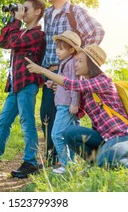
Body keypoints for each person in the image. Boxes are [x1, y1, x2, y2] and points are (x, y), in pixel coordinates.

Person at [25, 44, 128, 174]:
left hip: (122, 137)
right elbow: (77, 109)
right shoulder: (85, 90)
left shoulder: (103, 81)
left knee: (105, 161)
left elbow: (73, 84)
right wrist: (58, 88)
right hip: (103, 138)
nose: (75, 64)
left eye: (80, 61)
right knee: (70, 132)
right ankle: (97, 164)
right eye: (76, 60)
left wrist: (43, 71)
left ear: (90, 64)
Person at [0, 0, 46, 178]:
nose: (23, 11)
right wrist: (12, 20)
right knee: (4, 121)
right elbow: (2, 41)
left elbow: (14, 43)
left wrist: (15, 21)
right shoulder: (20, 31)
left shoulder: (38, 34)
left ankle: (31, 162)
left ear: (37, 12)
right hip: (14, 84)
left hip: (27, 83)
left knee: (26, 122)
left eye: (26, 8)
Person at [40, 0, 105, 166]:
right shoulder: (48, 14)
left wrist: (80, 57)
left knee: (66, 115)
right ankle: (58, 160)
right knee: (47, 115)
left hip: (68, 75)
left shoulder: (74, 11)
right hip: (51, 72)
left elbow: (98, 31)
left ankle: (66, 163)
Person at [47, 30, 81, 174]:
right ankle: (71, 164)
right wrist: (52, 83)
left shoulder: (71, 63)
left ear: (71, 49)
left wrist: (75, 103)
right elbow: (64, 83)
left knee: (56, 134)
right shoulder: (65, 63)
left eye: (61, 48)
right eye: (57, 48)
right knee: (70, 135)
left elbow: (75, 84)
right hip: (64, 103)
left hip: (66, 105)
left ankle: (66, 164)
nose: (57, 51)